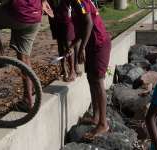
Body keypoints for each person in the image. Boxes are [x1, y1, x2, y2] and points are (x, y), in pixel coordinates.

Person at [0, 0, 53, 110]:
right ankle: (28, 99)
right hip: (36, 15)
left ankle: (1, 57)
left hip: (20, 12)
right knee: (24, 58)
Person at [68, 0, 111, 139]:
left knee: (98, 81)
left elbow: (89, 23)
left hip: (99, 44)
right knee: (91, 78)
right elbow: (81, 29)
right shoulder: (73, 4)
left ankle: (103, 123)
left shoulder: (79, 2)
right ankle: (96, 117)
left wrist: (81, 48)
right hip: (92, 45)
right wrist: (73, 45)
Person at [48, 0, 81, 82]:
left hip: (67, 15)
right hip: (54, 16)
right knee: (60, 44)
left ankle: (72, 70)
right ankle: (63, 69)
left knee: (69, 43)